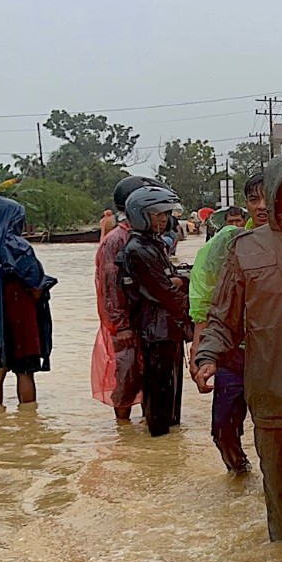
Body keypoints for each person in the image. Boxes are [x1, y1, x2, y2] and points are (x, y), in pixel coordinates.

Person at [193, 156, 282, 540]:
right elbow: (223, 315)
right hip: (272, 392)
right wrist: (207, 356)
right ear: (276, 191)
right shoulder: (245, 248)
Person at [188, 178, 262, 474]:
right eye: (254, 199)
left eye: (269, 197)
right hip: (233, 351)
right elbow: (205, 296)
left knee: (280, 434)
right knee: (223, 428)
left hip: (276, 356)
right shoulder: (229, 243)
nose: (263, 206)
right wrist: (199, 349)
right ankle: (239, 473)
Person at [118, 185, 191, 437]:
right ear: (141, 214)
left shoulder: (151, 243)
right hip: (155, 328)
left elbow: (167, 282)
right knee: (160, 389)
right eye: (157, 213)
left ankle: (166, 442)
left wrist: (179, 281)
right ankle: (159, 438)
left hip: (165, 327)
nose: (163, 218)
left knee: (169, 390)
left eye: (165, 213)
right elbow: (164, 291)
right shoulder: (138, 248)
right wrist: (187, 304)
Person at [0, 197, 56, 407]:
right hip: (21, 317)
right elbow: (36, 285)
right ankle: (29, 424)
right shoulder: (18, 245)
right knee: (25, 371)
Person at [92, 176, 157, 423]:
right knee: (127, 379)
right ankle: (124, 431)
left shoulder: (143, 235)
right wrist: (121, 326)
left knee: (146, 375)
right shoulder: (116, 240)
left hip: (145, 321)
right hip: (126, 325)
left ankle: (142, 432)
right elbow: (109, 289)